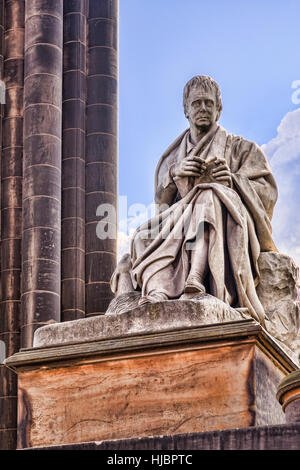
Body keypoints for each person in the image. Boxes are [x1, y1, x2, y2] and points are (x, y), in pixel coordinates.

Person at [113, 76, 278, 326]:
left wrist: (233, 182)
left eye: (208, 104)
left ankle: (197, 277)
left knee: (208, 195)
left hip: (224, 220)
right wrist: (175, 174)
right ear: (186, 110)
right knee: (141, 236)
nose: (202, 109)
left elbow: (267, 196)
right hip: (179, 219)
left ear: (219, 110)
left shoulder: (241, 149)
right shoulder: (172, 157)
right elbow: (162, 206)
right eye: (197, 103)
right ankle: (159, 289)